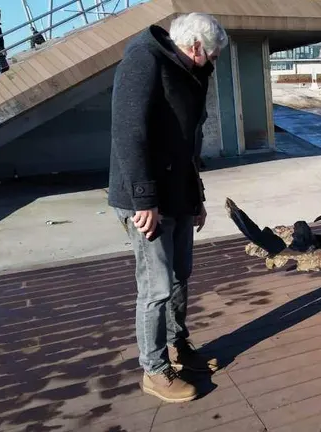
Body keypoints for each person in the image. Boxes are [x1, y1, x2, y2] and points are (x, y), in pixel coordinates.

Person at [108, 12, 227, 403]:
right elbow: (129, 133)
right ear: (195, 47)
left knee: (179, 276)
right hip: (147, 199)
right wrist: (144, 200)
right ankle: (154, 369)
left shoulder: (191, 72)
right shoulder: (144, 59)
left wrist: (197, 196)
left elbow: (188, 140)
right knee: (155, 287)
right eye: (212, 55)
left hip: (179, 192)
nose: (214, 63)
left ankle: (179, 346)